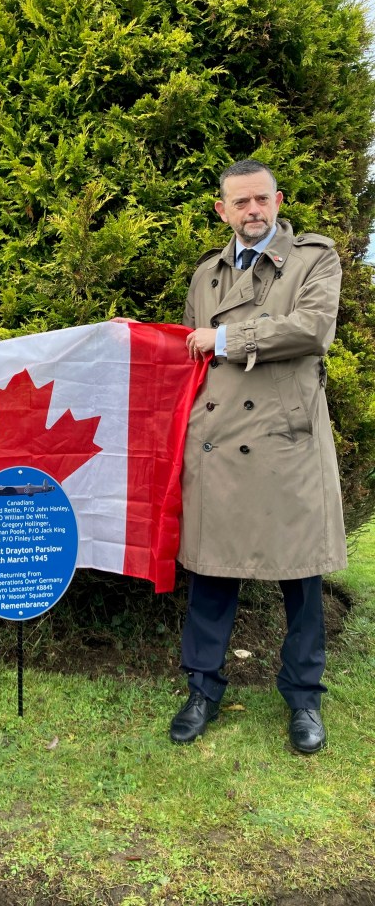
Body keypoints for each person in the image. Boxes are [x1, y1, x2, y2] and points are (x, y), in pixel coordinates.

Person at [170, 159, 346, 753]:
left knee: (301, 578)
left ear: (276, 201)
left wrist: (227, 338)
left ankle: (304, 698)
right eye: (240, 203)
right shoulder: (206, 276)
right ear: (222, 210)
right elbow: (189, 361)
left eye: (261, 201)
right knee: (212, 575)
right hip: (219, 445)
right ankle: (202, 689)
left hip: (286, 443)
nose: (253, 211)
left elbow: (311, 329)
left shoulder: (314, 259)